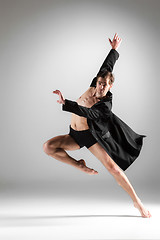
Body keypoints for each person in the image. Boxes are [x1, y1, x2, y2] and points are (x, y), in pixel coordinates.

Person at [43, 33, 151, 218]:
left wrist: (67, 103)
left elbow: (88, 113)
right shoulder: (95, 84)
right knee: (48, 147)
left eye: (104, 85)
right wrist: (114, 49)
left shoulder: (105, 106)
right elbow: (106, 67)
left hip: (89, 136)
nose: (100, 87)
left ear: (110, 87)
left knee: (113, 168)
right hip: (73, 134)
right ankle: (80, 166)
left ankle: (137, 202)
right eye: (99, 83)